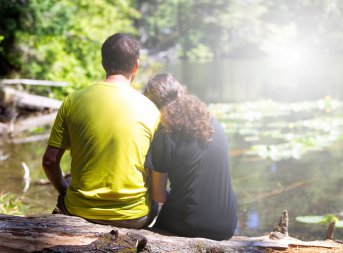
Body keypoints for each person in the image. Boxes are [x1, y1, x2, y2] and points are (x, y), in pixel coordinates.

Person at [42, 33, 160, 228]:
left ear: (103, 62)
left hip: (80, 211)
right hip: (133, 217)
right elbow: (157, 170)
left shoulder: (73, 100)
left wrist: (63, 189)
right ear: (136, 66)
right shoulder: (151, 110)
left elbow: (49, 161)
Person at [143, 73, 237, 240]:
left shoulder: (165, 134)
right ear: (181, 93)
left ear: (153, 106)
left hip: (190, 224)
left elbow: (159, 196)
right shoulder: (213, 122)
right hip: (227, 225)